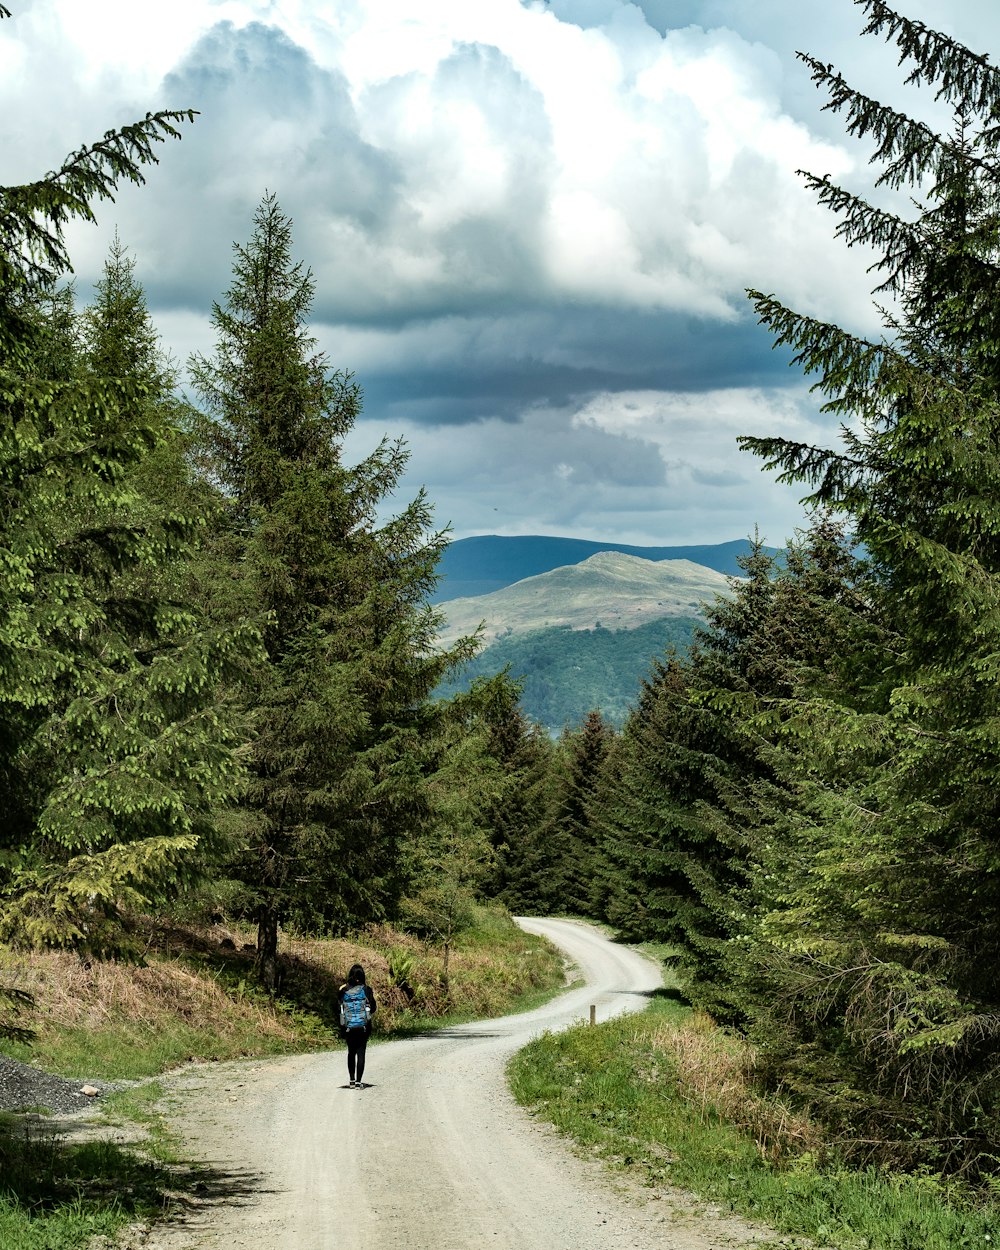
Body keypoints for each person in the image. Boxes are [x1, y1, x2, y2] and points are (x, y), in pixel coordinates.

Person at [338, 963, 376, 1088]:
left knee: (351, 1052)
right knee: (361, 1053)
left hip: (348, 1027)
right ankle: (359, 1081)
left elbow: (338, 1007)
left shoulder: (343, 990)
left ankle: (352, 1080)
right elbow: (373, 1008)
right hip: (363, 1027)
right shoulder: (366, 989)